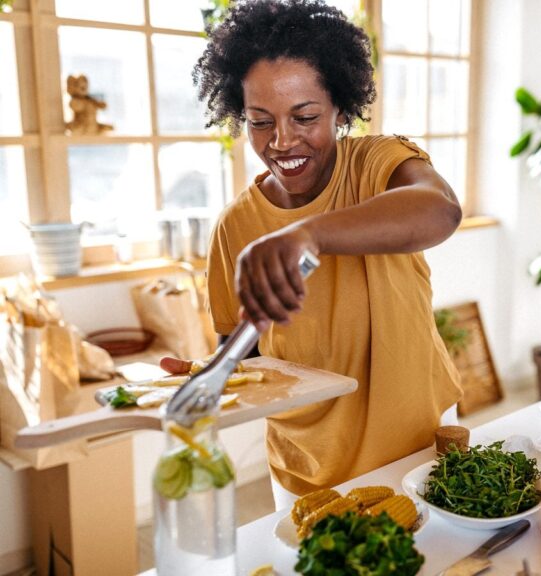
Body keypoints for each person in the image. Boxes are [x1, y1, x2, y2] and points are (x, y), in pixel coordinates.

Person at [165, 0, 463, 509]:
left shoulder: (376, 164)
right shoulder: (236, 224)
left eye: (305, 116)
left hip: (417, 442)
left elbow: (440, 211)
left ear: (340, 109)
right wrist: (216, 371)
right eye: (260, 122)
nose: (282, 141)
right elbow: (244, 347)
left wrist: (308, 234)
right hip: (306, 462)